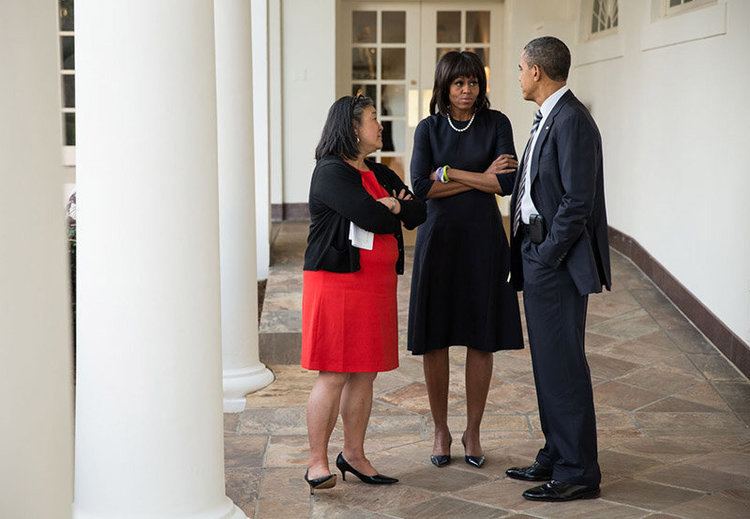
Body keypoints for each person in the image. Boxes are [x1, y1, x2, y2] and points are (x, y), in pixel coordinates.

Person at [504, 36, 611, 502]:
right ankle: (557, 450)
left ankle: (577, 471)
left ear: (537, 72)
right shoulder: (550, 116)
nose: (519, 75)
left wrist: (546, 253)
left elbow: (576, 202)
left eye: (521, 67)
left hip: (556, 262)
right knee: (548, 364)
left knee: (563, 365)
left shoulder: (571, 121)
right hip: (537, 255)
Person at [302, 95, 426, 494]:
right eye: (374, 119)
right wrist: (391, 207)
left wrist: (393, 204)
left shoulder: (380, 172)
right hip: (337, 285)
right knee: (335, 372)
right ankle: (317, 463)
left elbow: (418, 211)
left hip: (374, 286)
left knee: (365, 371)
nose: (380, 125)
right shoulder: (330, 173)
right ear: (353, 128)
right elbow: (373, 217)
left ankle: (353, 454)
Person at [408, 51, 523, 469]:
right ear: (445, 87)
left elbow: (506, 182)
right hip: (438, 242)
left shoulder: (497, 124)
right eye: (458, 83)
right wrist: (477, 177)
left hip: (483, 242)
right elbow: (421, 188)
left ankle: (473, 430)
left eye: (473, 82)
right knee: (435, 338)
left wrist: (450, 173)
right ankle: (441, 430)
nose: (466, 89)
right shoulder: (428, 128)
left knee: (482, 336)